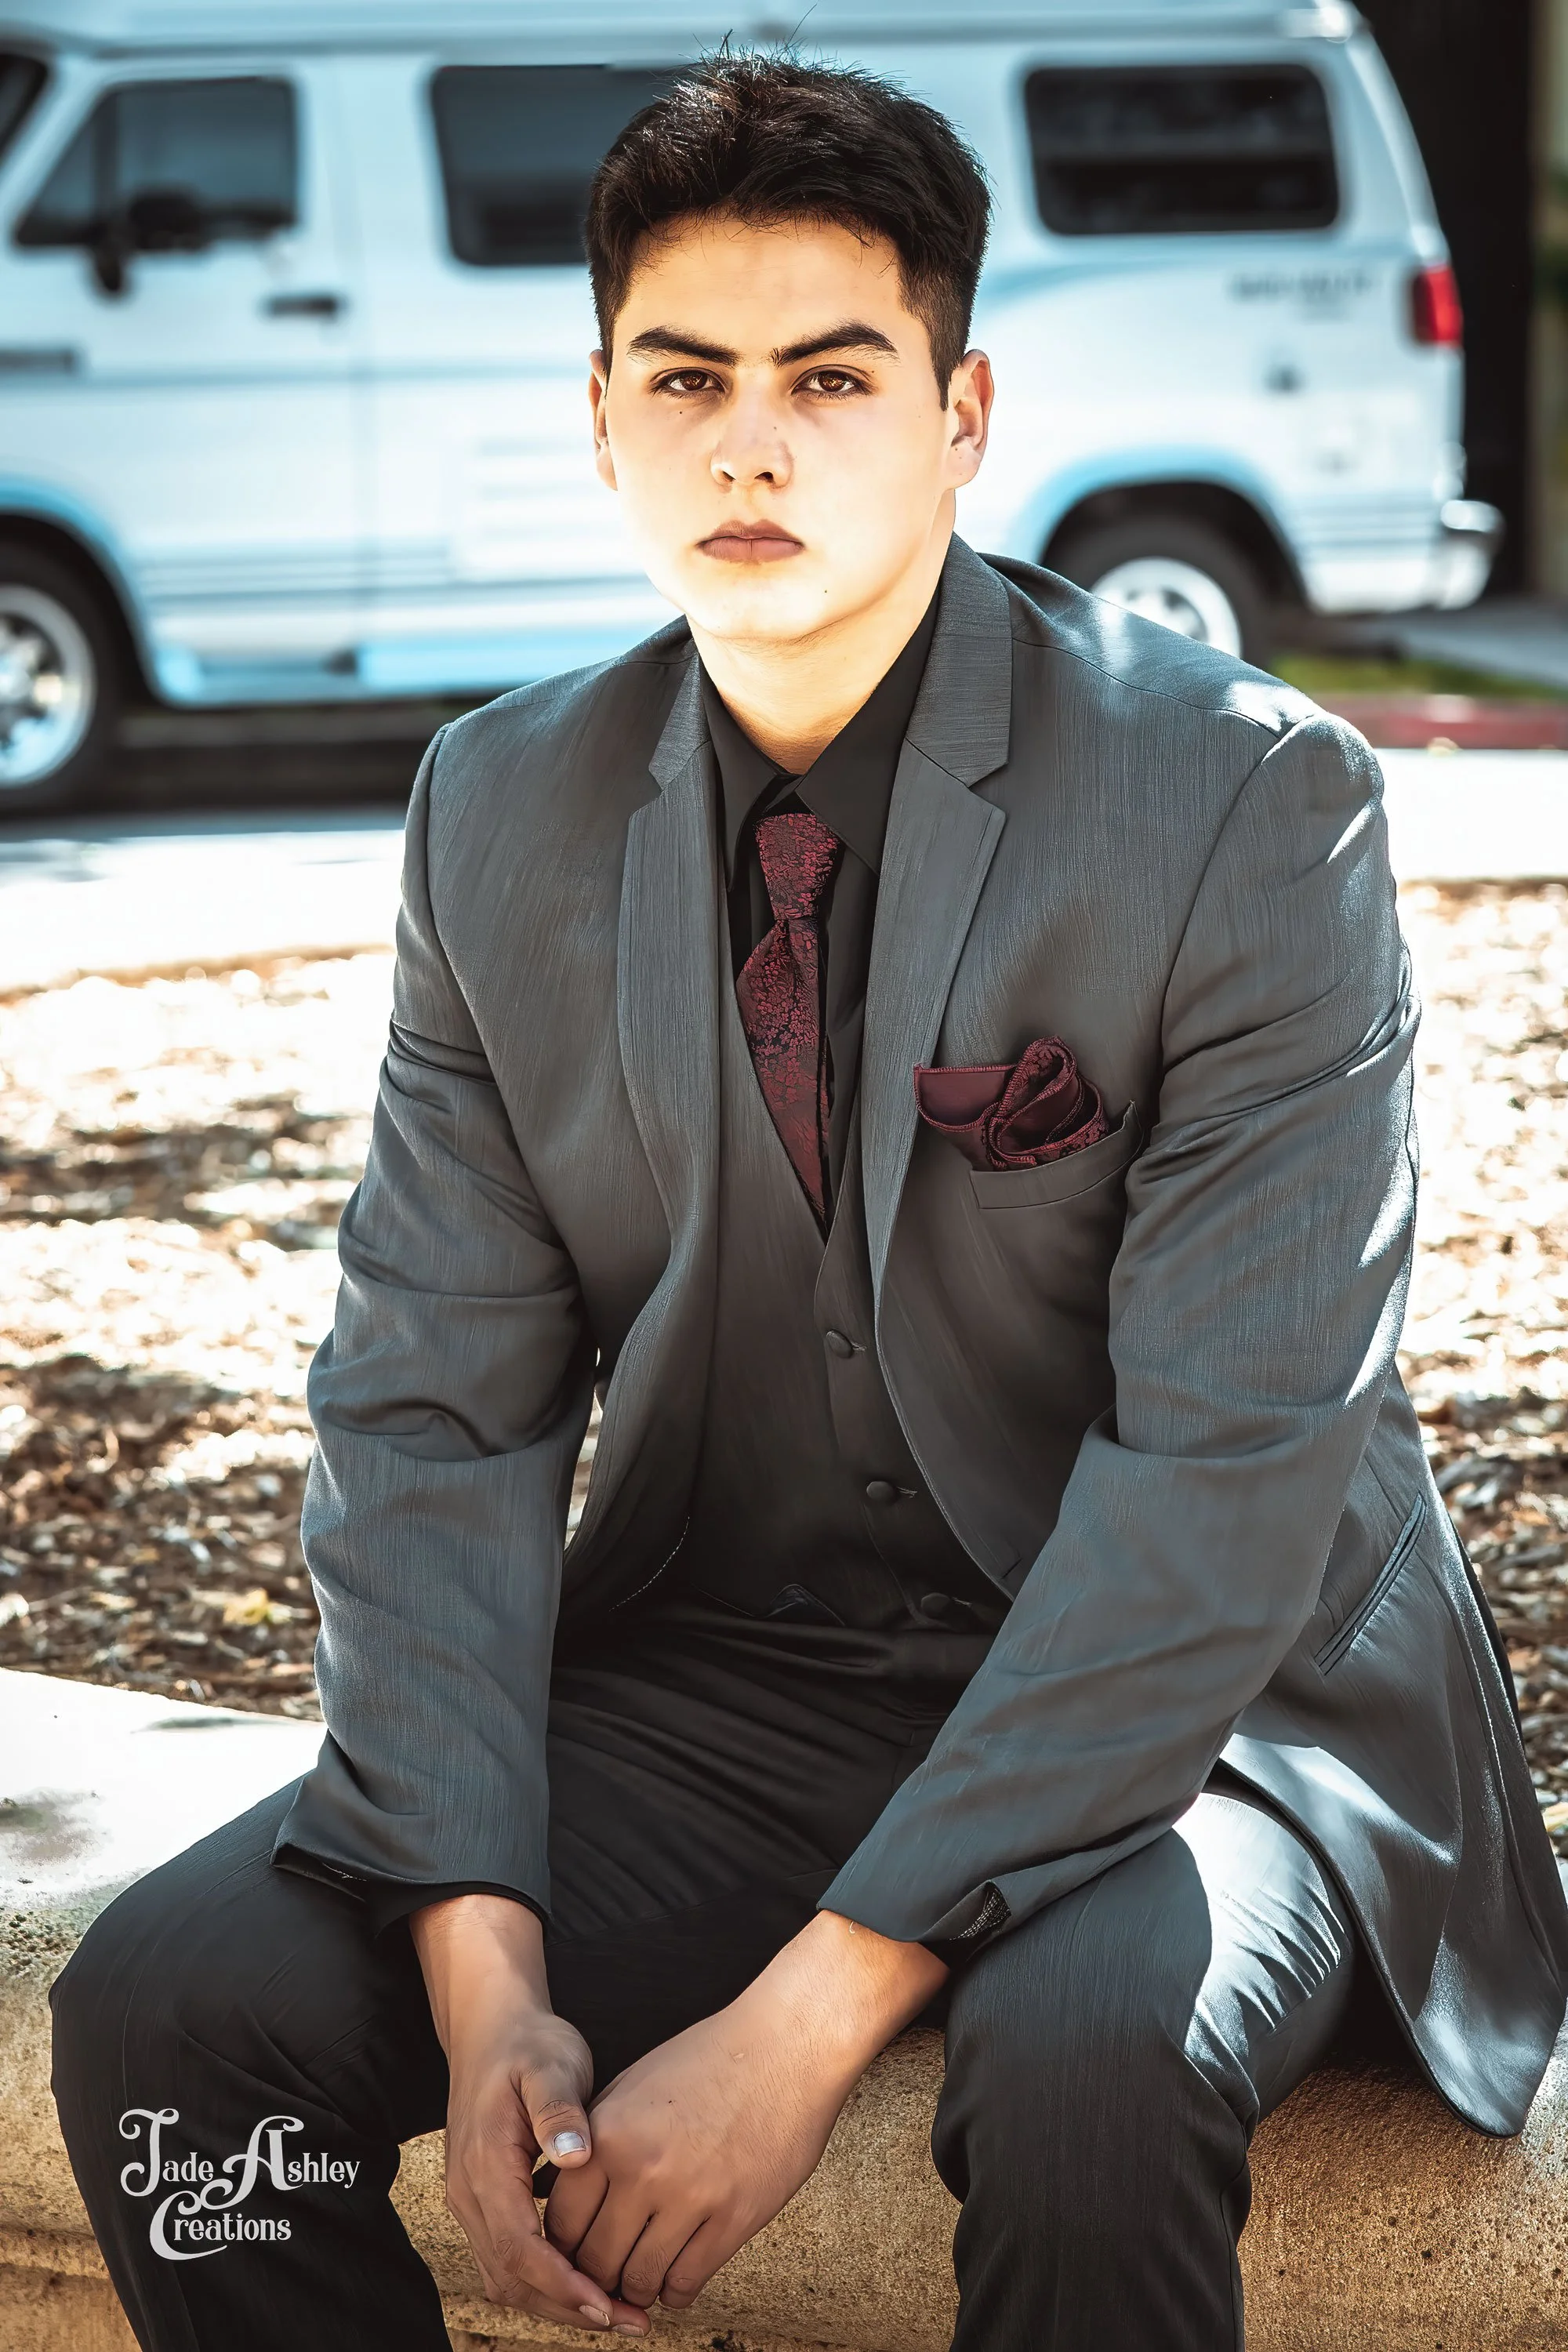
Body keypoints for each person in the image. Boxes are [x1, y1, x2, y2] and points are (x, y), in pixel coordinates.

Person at [50, 52, 1568, 2352]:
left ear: (963, 414)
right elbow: (427, 1418)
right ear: (601, 417)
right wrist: (487, 1982)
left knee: (1088, 2068)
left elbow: (1234, 1474)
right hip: (732, 1679)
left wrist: (796, 2033)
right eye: (688, 377)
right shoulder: (498, 808)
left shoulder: (1252, 804)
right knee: (174, 2020)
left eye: (831, 376)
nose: (750, 444)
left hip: (1206, 1708)